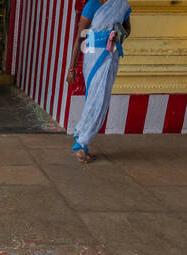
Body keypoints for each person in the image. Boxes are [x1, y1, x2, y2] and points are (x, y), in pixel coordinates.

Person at [65, 0, 130, 164]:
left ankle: (82, 142)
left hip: (111, 55)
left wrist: (118, 35)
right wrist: (71, 68)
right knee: (96, 100)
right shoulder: (92, 5)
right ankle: (81, 144)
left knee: (99, 101)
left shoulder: (120, 4)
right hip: (93, 57)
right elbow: (80, 36)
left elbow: (128, 28)